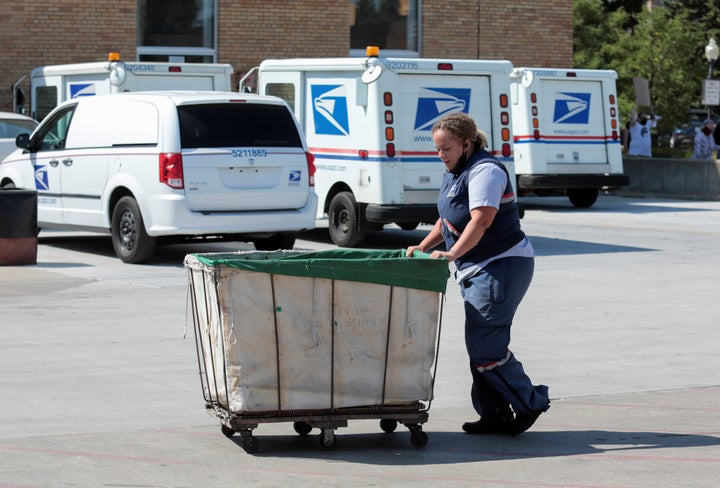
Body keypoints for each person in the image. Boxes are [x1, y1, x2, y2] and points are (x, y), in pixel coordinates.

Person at [405, 112, 550, 436]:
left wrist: (453, 253)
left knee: (487, 348)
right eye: (438, 149)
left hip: (501, 264)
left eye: (447, 149)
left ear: (467, 144)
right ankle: (494, 415)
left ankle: (530, 401)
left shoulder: (485, 171)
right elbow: (447, 220)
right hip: (478, 267)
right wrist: (424, 246)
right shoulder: (456, 171)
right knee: (479, 345)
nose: (441, 156)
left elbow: (481, 220)